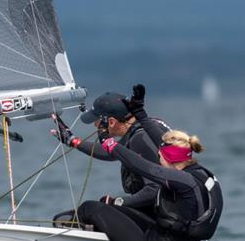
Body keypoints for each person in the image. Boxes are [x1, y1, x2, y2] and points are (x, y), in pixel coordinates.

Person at [62, 84, 223, 241]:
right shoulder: (197, 173)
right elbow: (157, 142)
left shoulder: (180, 181)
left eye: (161, 155)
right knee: (108, 209)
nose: (158, 157)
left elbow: (140, 164)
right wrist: (140, 112)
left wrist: (108, 142)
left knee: (89, 208)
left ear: (169, 158)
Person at [50, 92, 169, 228]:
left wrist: (117, 202)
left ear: (111, 122)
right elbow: (112, 153)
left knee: (63, 220)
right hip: (163, 214)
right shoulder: (146, 127)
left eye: (97, 120)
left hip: (162, 222)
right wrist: (73, 141)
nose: (95, 125)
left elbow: (154, 190)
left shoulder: (140, 139)